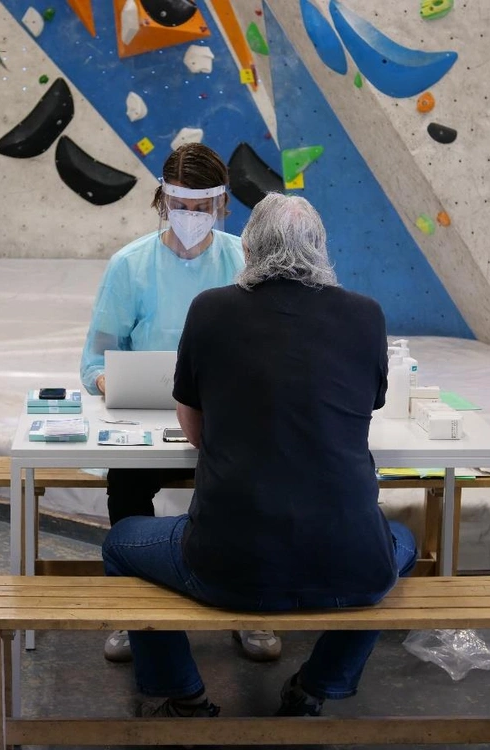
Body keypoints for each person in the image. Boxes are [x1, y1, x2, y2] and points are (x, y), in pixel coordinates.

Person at [101, 193, 417, 718]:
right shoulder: (367, 315)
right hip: (350, 563)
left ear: (248, 249)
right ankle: (317, 685)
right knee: (397, 545)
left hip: (229, 564)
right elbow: (367, 406)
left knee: (120, 544)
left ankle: (183, 694)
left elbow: (194, 427)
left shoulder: (211, 309)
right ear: (321, 248)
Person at [79, 143, 281, 663]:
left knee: (255, 492)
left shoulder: (245, 260)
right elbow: (96, 360)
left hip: (227, 419)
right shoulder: (130, 266)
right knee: (125, 486)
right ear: (162, 201)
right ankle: (132, 614)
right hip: (147, 418)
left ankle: (250, 606)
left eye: (202, 207)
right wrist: (114, 383)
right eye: (180, 205)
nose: (191, 218)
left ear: (221, 206)